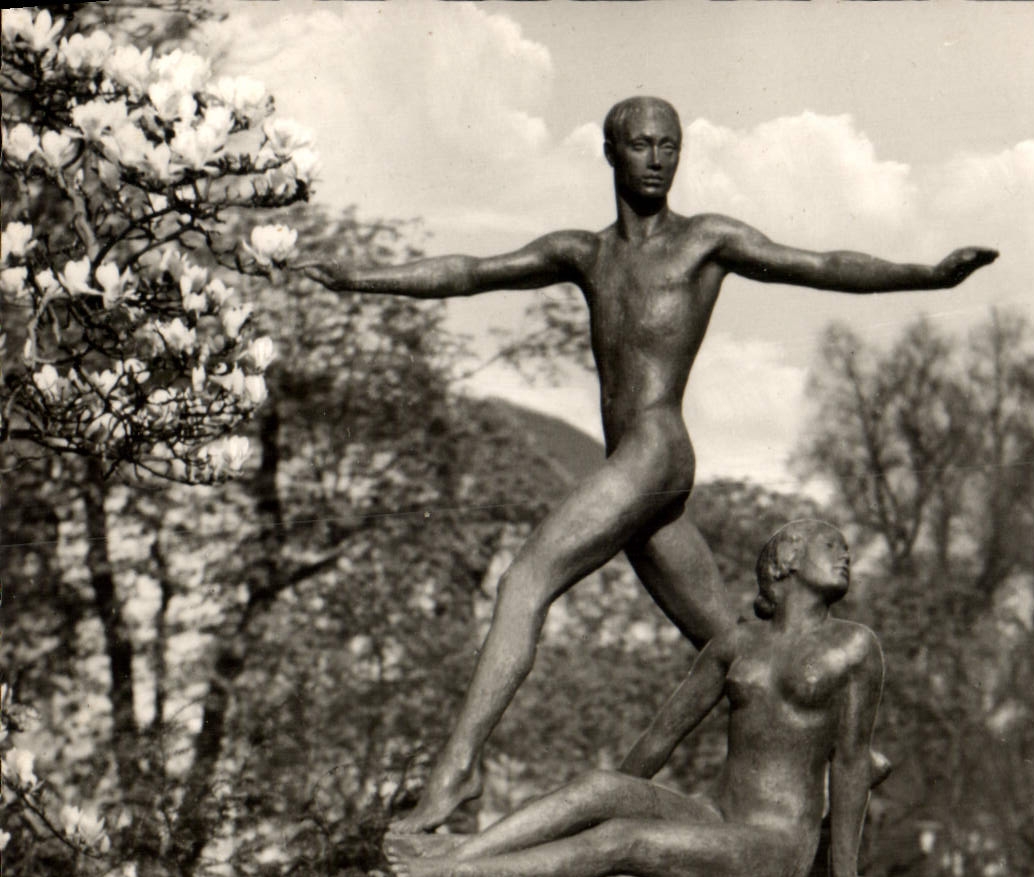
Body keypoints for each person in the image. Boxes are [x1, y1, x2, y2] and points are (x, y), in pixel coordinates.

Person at [299, 96, 996, 831]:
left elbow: (818, 264)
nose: (659, 157)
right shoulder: (586, 254)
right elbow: (473, 271)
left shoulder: (706, 242)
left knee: (524, 579)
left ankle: (458, 771)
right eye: (642, 144)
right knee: (733, 646)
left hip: (658, 450)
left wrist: (928, 275)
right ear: (611, 152)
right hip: (633, 470)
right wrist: (361, 280)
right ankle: (861, 758)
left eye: (671, 144)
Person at [386, 517, 899, 877]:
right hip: (715, 820)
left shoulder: (854, 646)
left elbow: (852, 760)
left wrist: (844, 874)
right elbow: (661, 736)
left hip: (776, 847)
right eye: (832, 545)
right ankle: (461, 857)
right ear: (786, 560)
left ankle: (454, 876)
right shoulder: (736, 645)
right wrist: (621, 793)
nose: (845, 556)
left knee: (624, 842)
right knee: (599, 787)